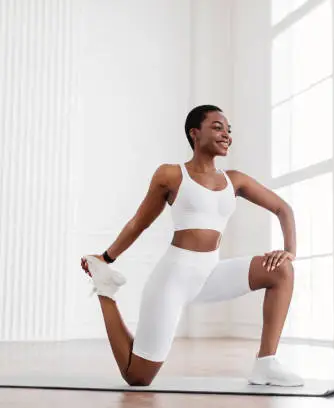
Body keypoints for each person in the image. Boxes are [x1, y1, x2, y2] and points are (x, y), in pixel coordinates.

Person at [80, 105, 303, 387]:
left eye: (229, 130)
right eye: (218, 127)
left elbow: (283, 208)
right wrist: (106, 258)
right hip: (173, 278)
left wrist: (290, 251)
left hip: (210, 274)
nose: (226, 135)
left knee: (281, 270)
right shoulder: (171, 175)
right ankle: (105, 291)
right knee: (138, 377)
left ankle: (266, 363)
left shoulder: (235, 180)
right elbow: (139, 222)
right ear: (194, 133)